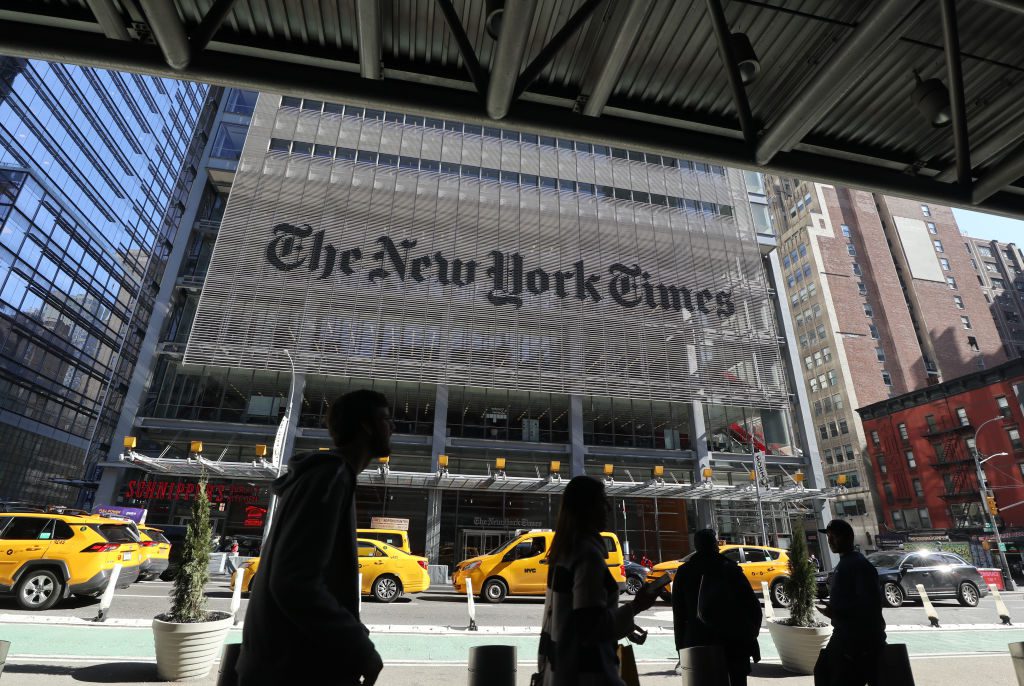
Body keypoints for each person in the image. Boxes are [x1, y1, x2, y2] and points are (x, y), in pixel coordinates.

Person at [236, 390, 391, 686]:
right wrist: (360, 647)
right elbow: (294, 581)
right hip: (293, 671)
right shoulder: (331, 476)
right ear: (366, 426)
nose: (392, 427)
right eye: (385, 419)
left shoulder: (324, 476)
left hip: (283, 665)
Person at [535, 476, 659, 685]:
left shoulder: (563, 552)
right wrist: (637, 605)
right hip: (586, 674)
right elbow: (591, 628)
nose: (608, 508)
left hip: (558, 672)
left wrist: (624, 625)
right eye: (602, 501)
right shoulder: (588, 555)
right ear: (587, 507)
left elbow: (572, 621)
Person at [671, 529, 762, 686]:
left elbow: (678, 615)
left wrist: (681, 647)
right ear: (714, 545)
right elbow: (752, 607)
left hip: (697, 643)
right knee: (737, 680)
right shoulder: (730, 569)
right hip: (732, 642)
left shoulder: (684, 572)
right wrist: (751, 637)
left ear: (696, 546)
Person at [814, 519, 886, 686]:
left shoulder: (858, 565)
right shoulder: (847, 563)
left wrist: (837, 613)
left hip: (854, 644)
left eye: (835, 537)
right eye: (829, 537)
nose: (830, 541)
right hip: (845, 637)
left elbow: (870, 607)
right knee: (823, 672)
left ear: (849, 537)